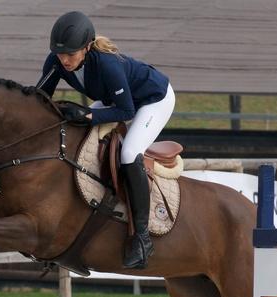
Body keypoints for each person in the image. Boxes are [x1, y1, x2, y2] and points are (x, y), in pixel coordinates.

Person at [36, 11, 175, 270]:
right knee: (76, 131)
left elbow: (126, 111)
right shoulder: (56, 62)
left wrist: (88, 115)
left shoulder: (107, 64)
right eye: (60, 53)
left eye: (70, 54)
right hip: (115, 101)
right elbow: (39, 97)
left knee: (129, 152)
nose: (64, 60)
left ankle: (142, 238)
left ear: (87, 47)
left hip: (153, 99)